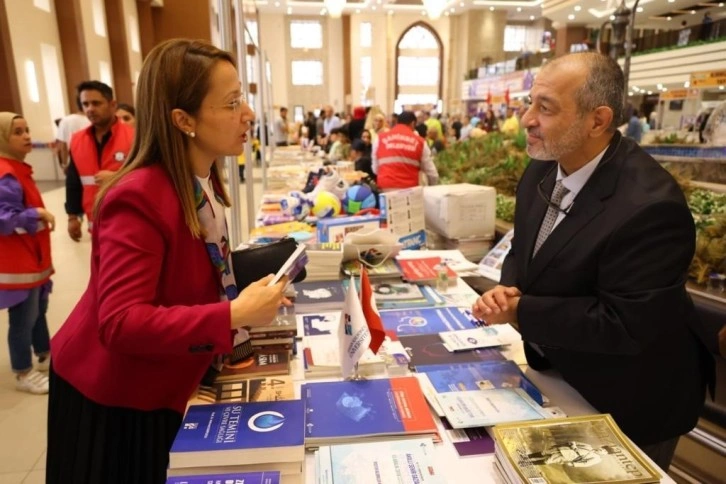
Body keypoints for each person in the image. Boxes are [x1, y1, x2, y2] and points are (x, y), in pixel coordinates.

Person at [46, 39, 289, 483]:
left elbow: (194, 265)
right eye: (232, 103)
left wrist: (258, 288)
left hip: (170, 377)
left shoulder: (203, 177)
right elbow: (120, 321)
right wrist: (233, 313)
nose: (249, 115)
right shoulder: (137, 197)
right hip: (116, 397)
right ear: (183, 120)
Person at [472, 52, 711, 471]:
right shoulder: (543, 170)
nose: (527, 119)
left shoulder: (649, 207)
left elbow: (624, 323)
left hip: (633, 399)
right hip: (561, 375)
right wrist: (509, 287)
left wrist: (522, 310)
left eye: (544, 108)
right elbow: (524, 249)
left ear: (597, 121)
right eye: (530, 103)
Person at [0, 112, 55, 395]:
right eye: (17, 132)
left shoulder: (18, 168)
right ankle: (23, 371)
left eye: (27, 129)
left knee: (39, 311)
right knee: (23, 318)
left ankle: (45, 354)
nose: (26, 136)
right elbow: (4, 218)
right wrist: (37, 214)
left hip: (33, 259)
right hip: (17, 263)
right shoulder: (5, 173)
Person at [65, 81, 134, 241]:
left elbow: (149, 178)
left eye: (96, 103)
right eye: (85, 104)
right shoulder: (77, 140)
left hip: (128, 222)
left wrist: (117, 179)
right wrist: (72, 216)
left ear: (112, 104)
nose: (90, 109)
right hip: (95, 225)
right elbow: (73, 181)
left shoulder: (134, 137)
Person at [372, 110, 439, 191]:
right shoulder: (420, 142)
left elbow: (375, 169)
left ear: (397, 122)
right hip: (409, 191)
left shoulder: (379, 139)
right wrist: (432, 187)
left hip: (385, 188)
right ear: (413, 123)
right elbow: (431, 172)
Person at [55, 98, 90, 173]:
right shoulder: (94, 120)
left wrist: (64, 164)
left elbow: (63, 146)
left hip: (72, 163)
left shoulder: (65, 120)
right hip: (91, 162)